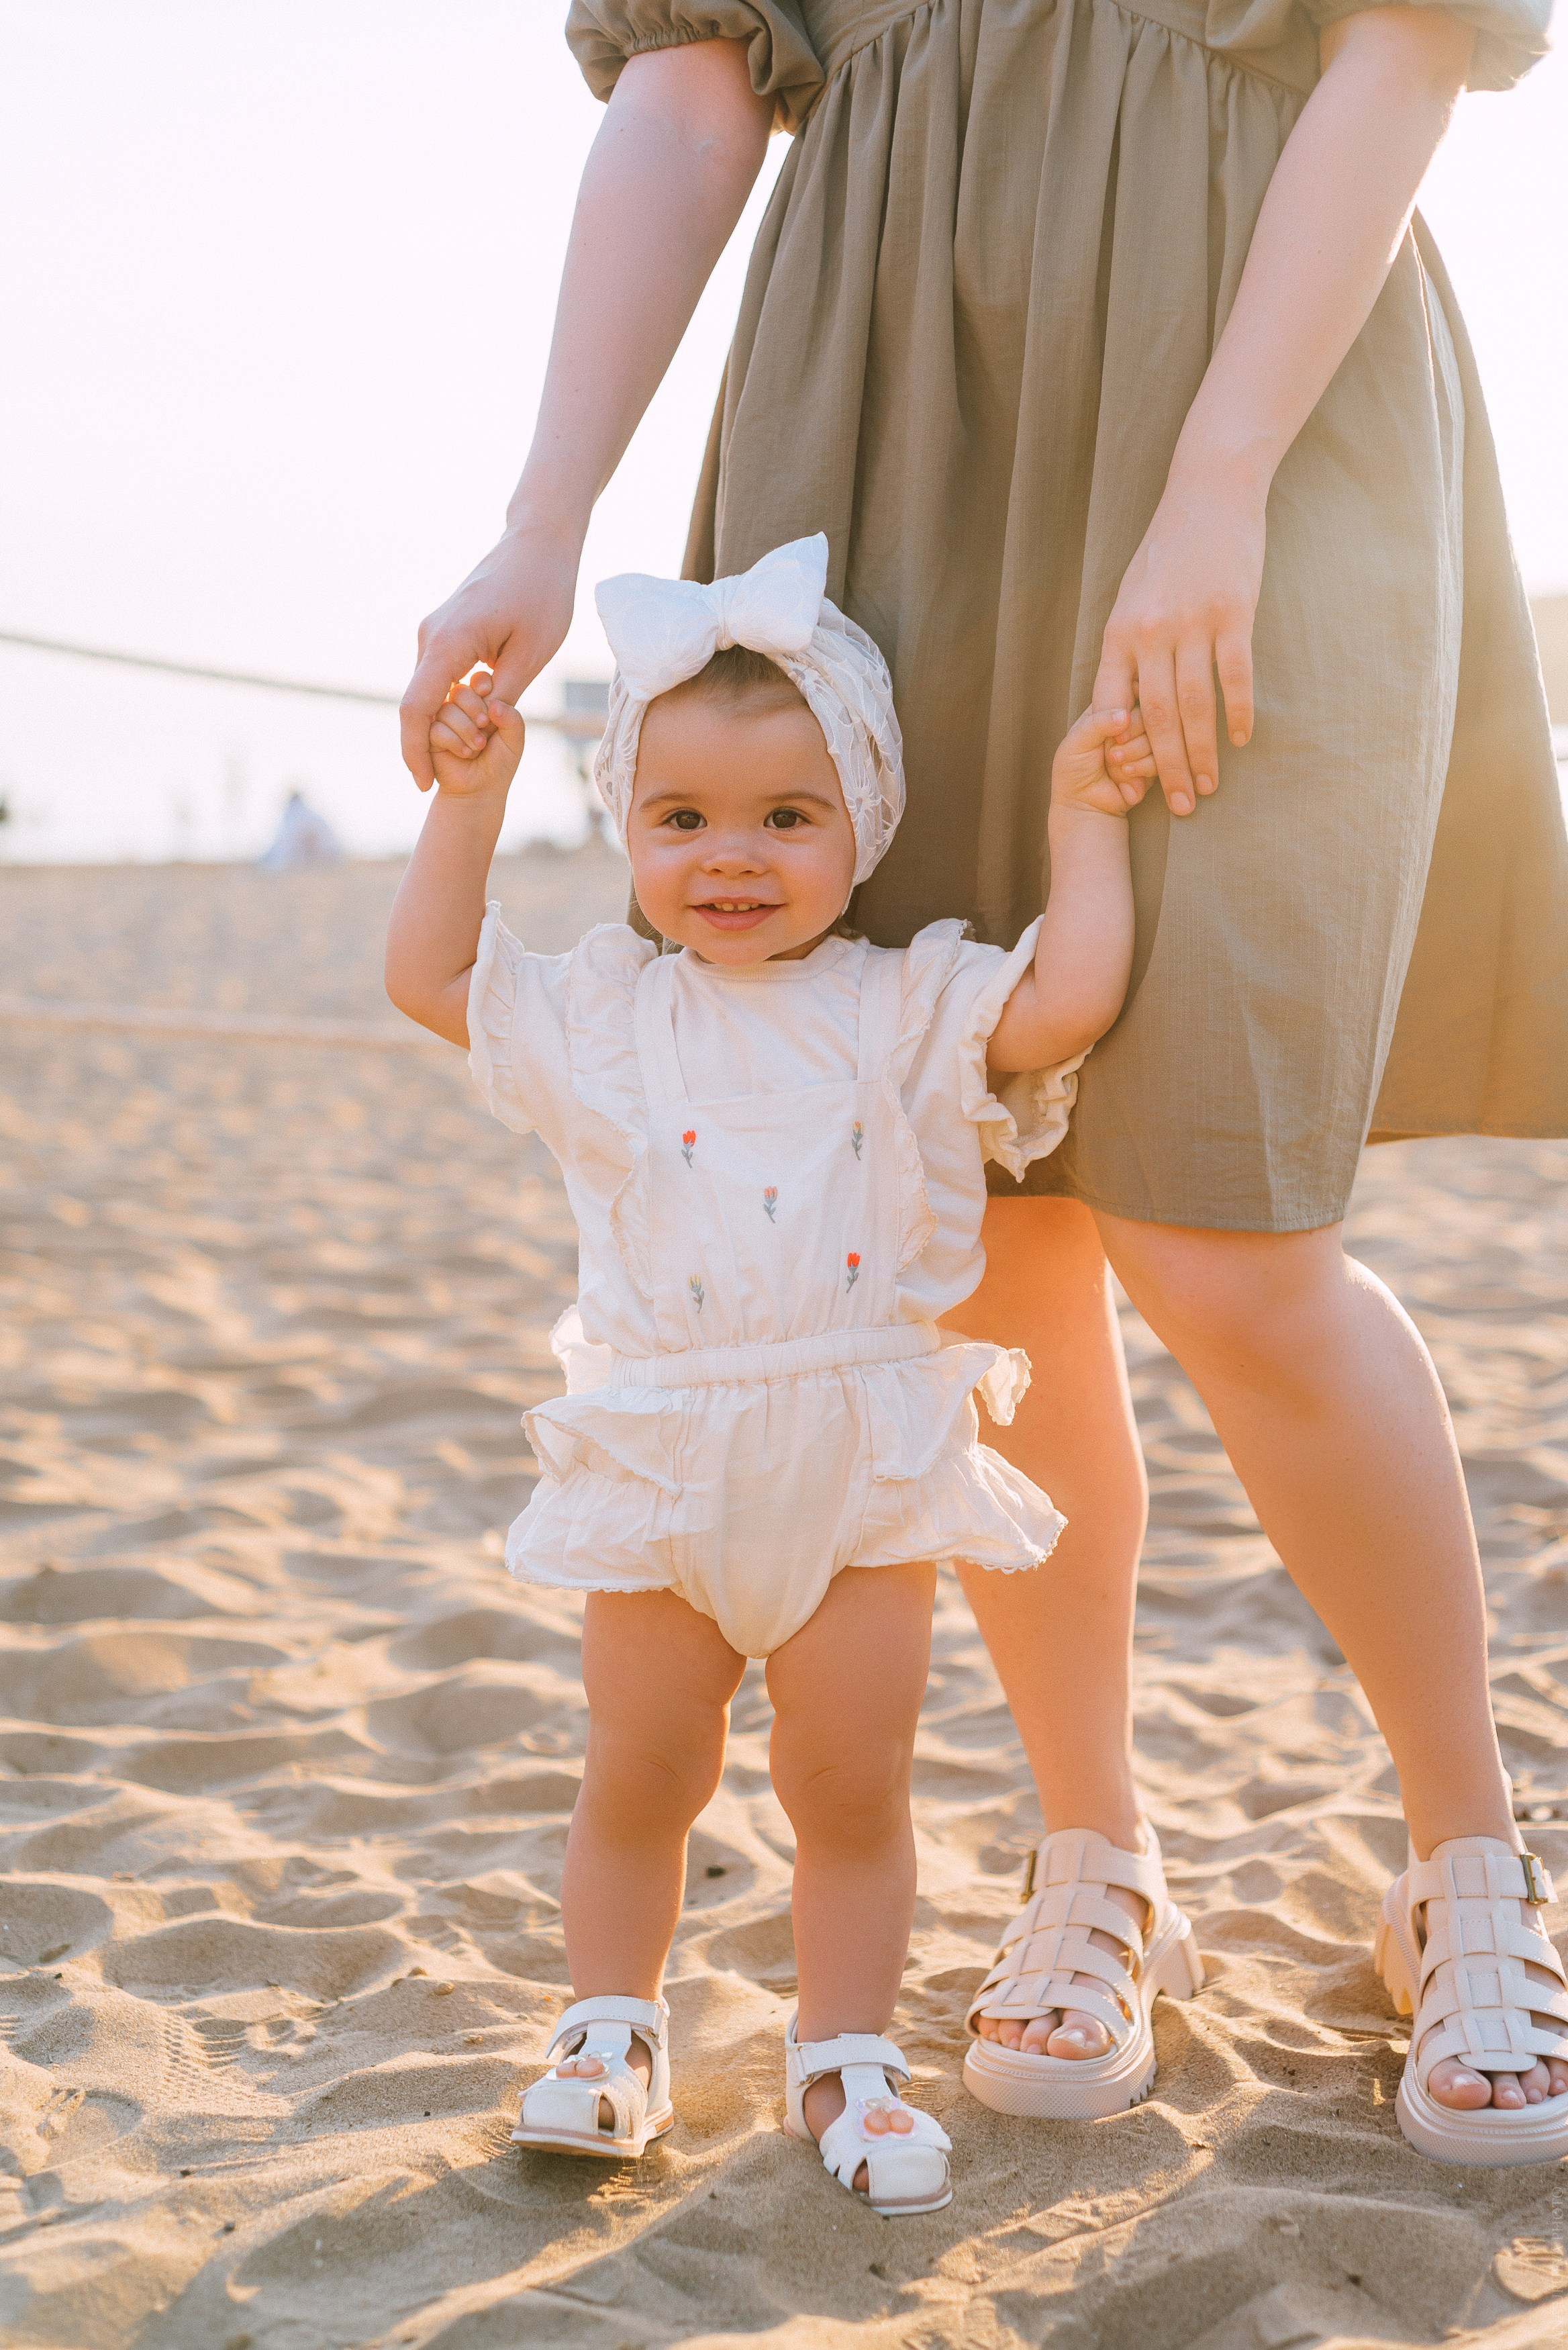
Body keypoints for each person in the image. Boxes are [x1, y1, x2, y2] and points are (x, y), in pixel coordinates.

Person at [398, 3, 1568, 2161]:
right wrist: (545, 523)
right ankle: (1097, 1852)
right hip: (878, 415)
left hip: (1265, 388)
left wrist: (1218, 483)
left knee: (1233, 1233)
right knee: (975, 1231)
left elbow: (1407, 44)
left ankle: (1472, 1870)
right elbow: (689, 90)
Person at [385, 533, 1190, 2212]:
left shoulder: (904, 1006)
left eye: (784, 817)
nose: (729, 857)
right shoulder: (608, 1017)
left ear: (862, 825)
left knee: (850, 1782)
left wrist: (1082, 819)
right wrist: (465, 806)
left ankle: (846, 2053)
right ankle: (611, 2028)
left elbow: (1071, 996)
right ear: (628, 831)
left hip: (852, 1465)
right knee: (642, 1768)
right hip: (667, 1460)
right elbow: (434, 978)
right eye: (680, 820)